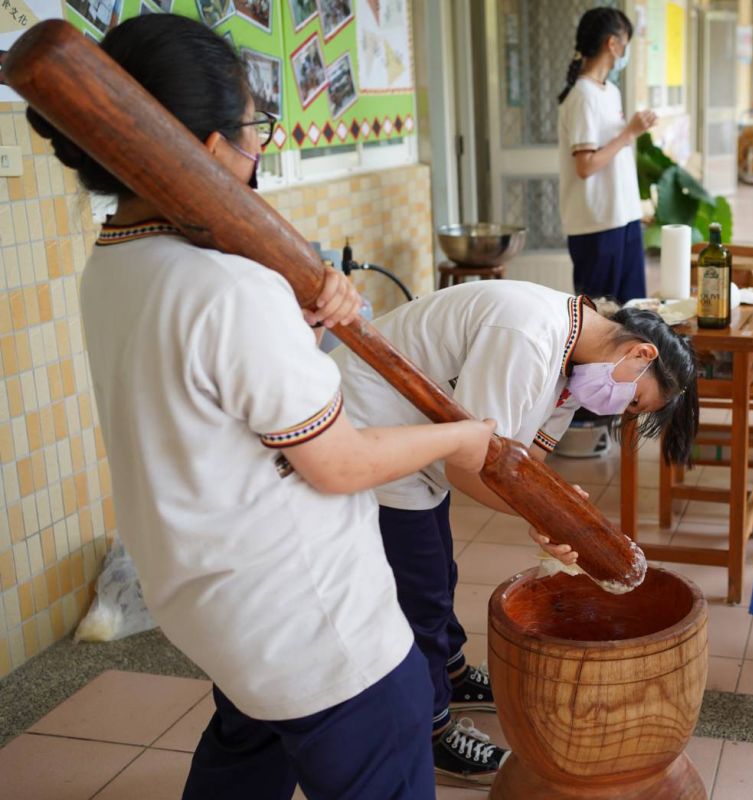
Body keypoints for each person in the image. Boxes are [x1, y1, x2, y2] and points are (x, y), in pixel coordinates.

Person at [28, 15, 496, 800]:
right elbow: (339, 464)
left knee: (247, 748)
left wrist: (297, 315)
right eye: (255, 130)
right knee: (382, 742)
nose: (261, 149)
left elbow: (219, 395)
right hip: (313, 629)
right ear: (208, 152)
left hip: (214, 609)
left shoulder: (112, 264)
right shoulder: (230, 289)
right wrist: (462, 431)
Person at [331, 280, 699, 784]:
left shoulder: (574, 364)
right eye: (635, 401)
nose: (620, 410)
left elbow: (528, 460)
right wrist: (545, 515)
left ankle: (453, 674)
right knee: (419, 588)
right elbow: (470, 468)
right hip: (373, 429)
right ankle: (433, 732)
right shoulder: (528, 336)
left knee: (440, 566)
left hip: (420, 446)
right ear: (640, 352)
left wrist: (554, 508)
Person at [557, 8, 655, 304]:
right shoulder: (583, 96)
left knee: (634, 313)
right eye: (625, 42)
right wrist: (629, 133)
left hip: (623, 216)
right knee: (599, 320)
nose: (626, 50)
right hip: (597, 225)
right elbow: (585, 166)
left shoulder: (608, 91)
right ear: (612, 44)